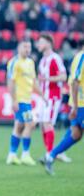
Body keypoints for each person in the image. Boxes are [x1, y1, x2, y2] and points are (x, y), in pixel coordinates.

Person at [43, 42, 84, 175]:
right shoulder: (81, 57)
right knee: (75, 134)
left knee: (76, 135)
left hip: (78, 103)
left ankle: (50, 156)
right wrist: (76, 107)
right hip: (81, 103)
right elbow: (75, 81)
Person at [6, 40, 44, 166]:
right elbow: (10, 82)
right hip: (20, 100)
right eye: (25, 46)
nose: (27, 49)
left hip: (27, 100)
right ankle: (25, 154)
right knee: (31, 124)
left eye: (29, 47)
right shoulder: (14, 62)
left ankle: (12, 155)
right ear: (18, 47)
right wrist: (14, 100)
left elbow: (34, 81)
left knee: (19, 126)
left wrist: (42, 95)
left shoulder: (31, 62)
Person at [35, 33, 71, 162]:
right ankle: (51, 152)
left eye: (41, 42)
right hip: (44, 97)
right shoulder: (42, 60)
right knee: (42, 125)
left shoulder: (55, 58)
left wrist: (47, 79)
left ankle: (50, 154)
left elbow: (63, 76)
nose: (38, 45)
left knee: (47, 123)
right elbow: (40, 80)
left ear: (49, 43)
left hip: (53, 96)